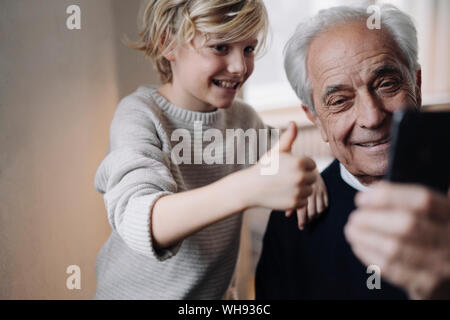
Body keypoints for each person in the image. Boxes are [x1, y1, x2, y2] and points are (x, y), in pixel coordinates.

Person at [92, 0, 328, 299]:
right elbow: (142, 220)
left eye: (249, 49)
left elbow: (282, 167)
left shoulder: (243, 120)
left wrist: (307, 174)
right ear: (168, 43)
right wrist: (248, 187)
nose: (240, 67)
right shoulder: (139, 115)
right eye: (220, 47)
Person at [255, 4, 450, 299]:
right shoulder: (292, 219)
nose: (371, 117)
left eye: (386, 84)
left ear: (417, 85)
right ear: (316, 119)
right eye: (340, 101)